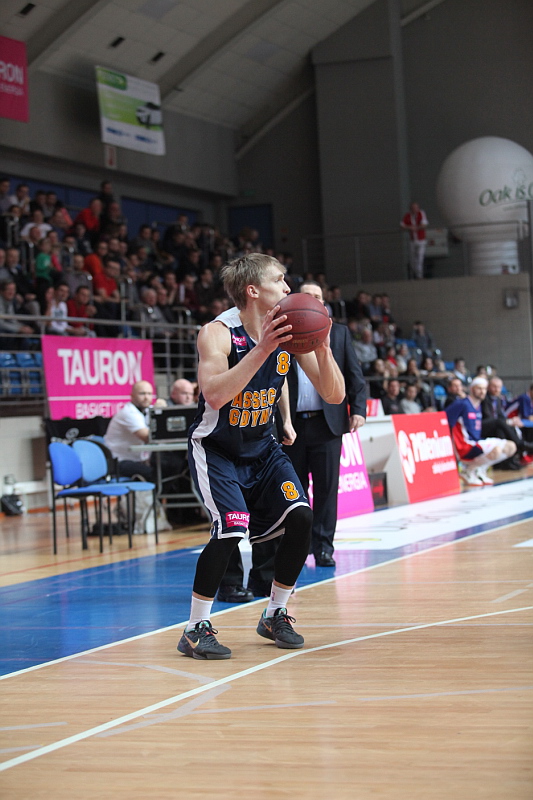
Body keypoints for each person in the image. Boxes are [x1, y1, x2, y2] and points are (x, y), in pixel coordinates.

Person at [177, 254, 345, 660]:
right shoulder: (217, 333)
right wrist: (263, 348)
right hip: (216, 449)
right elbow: (214, 394)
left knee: (301, 516)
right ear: (253, 291)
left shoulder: (290, 331)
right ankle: (195, 628)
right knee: (231, 528)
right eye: (280, 280)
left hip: (262, 447)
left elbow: (334, 394)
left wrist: (323, 349)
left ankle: (275, 614)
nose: (288, 288)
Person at [445, 377, 517, 487]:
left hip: (477, 442)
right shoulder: (462, 404)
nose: (482, 391)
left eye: (484, 389)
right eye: (479, 388)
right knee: (497, 450)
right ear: (471, 389)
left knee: (511, 447)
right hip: (465, 446)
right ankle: (468, 471)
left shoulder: (478, 405)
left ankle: (479, 470)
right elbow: (444, 418)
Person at [104, 381, 156, 481]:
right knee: (156, 473)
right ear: (132, 396)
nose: (146, 397)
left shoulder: (148, 410)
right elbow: (148, 438)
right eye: (142, 393)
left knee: (167, 466)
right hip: (118, 462)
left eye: (149, 394)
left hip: (138, 460)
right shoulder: (128, 413)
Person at [481, 377, 533, 469]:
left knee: (503, 430)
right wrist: (508, 421)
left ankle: (509, 461)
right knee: (500, 423)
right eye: (494, 387)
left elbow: (501, 415)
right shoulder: (484, 398)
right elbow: (489, 417)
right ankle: (520, 444)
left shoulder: (497, 399)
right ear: (488, 387)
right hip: (484, 426)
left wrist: (510, 421)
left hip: (498, 425)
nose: (497, 389)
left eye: (499, 387)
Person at [401, 201, 428, 279]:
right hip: (412, 240)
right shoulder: (408, 215)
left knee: (420, 257)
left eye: (416, 208)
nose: (415, 209)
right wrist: (410, 227)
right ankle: (415, 274)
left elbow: (424, 224)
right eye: (413, 208)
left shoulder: (421, 213)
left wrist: (416, 227)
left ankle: (419, 276)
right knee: (413, 259)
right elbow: (402, 225)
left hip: (421, 240)